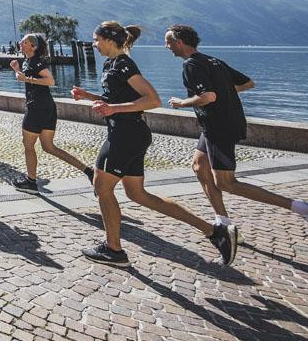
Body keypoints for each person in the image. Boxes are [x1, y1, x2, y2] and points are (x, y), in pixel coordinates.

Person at [71, 22, 237, 268]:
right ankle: (214, 232)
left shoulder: (125, 65)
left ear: (110, 40)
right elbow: (115, 98)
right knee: (137, 194)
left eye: (96, 39)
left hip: (126, 135)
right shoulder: (111, 65)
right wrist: (89, 96)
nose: (94, 44)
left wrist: (113, 109)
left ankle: (114, 249)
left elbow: (152, 99)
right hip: (128, 134)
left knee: (101, 186)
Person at [164, 24, 308, 247]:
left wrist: (181, 102)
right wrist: (222, 92)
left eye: (168, 41)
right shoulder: (213, 61)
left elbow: (208, 97)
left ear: (179, 42)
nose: (166, 46)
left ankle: (307, 209)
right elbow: (247, 83)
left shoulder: (191, 65)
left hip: (220, 127)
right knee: (199, 167)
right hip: (216, 125)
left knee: (227, 183)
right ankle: (224, 224)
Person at [10, 33, 92, 190]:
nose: (20, 43)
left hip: (36, 108)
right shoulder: (28, 61)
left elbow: (50, 80)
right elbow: (25, 77)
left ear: (33, 46)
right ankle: (88, 171)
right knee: (49, 147)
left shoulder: (37, 62)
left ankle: (31, 182)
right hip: (47, 107)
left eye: (24, 42)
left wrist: (27, 79)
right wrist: (17, 69)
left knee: (28, 145)